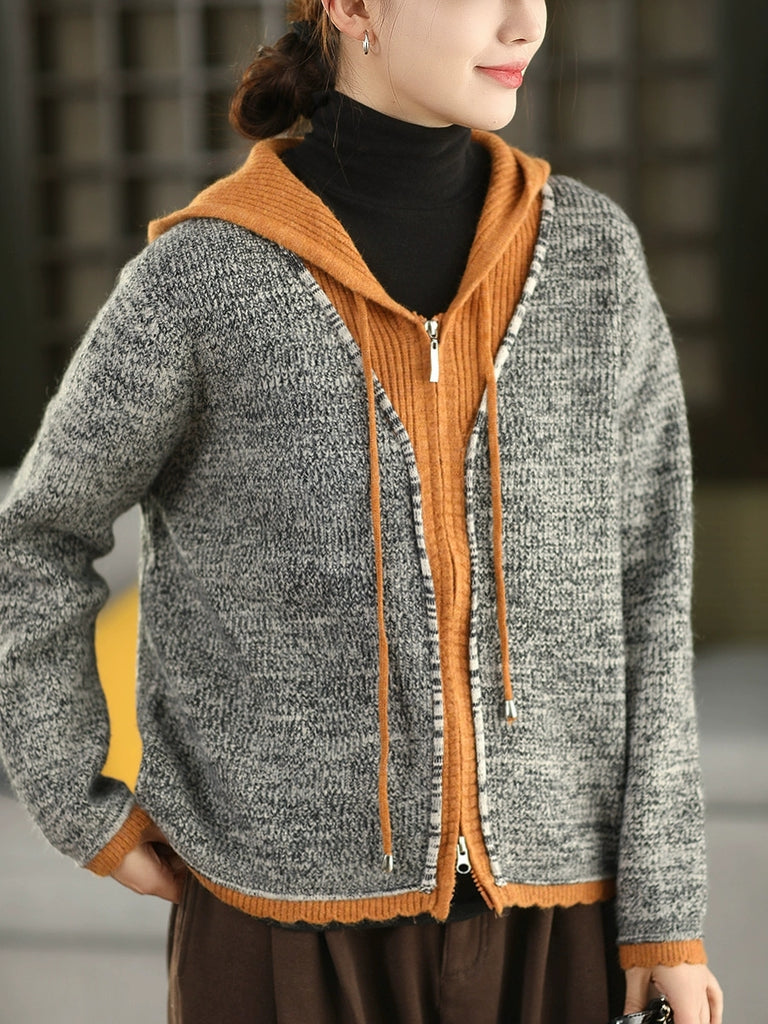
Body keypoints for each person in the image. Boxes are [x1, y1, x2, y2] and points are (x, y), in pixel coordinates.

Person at [0, 1, 724, 1022]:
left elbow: (651, 588)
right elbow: (32, 541)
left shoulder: (593, 262)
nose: (526, 23)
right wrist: (79, 802)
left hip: (559, 924)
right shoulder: (201, 281)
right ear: (350, 7)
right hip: (278, 929)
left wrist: (666, 915)